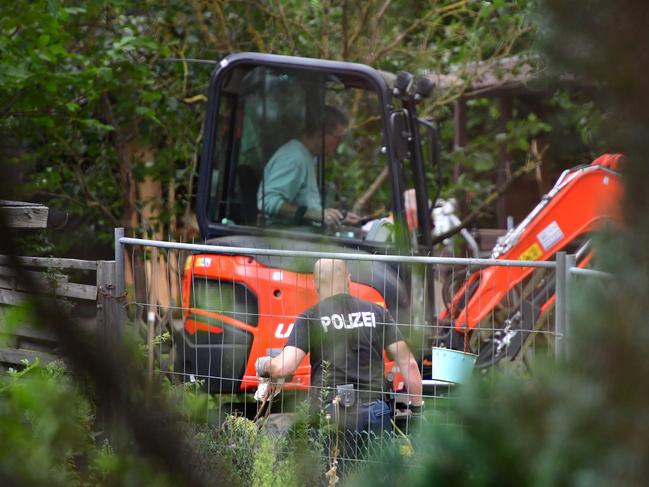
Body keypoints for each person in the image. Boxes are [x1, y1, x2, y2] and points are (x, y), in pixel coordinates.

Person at [255, 258, 423, 437]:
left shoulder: (311, 317)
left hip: (331, 413)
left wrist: (264, 365)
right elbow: (409, 364)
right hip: (375, 411)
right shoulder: (378, 313)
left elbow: (283, 367)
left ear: (316, 283)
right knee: (374, 464)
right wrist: (417, 411)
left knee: (333, 464)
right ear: (348, 279)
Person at [256, 106, 360, 227]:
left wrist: (337, 216)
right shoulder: (294, 158)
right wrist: (314, 214)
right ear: (321, 134)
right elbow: (267, 201)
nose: (339, 143)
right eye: (338, 138)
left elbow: (309, 208)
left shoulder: (307, 157)